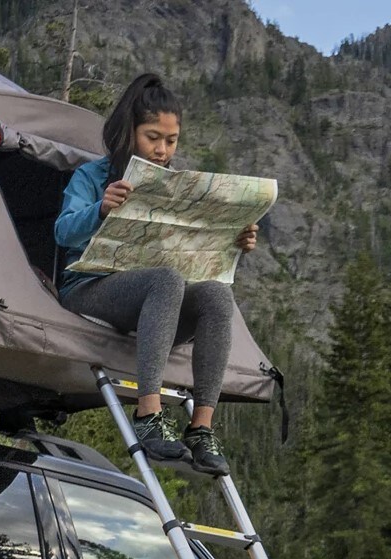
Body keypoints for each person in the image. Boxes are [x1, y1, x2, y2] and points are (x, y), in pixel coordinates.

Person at [54, 73, 258, 477]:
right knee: (165, 279)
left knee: (217, 294)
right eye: (153, 137)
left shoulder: (177, 185)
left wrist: (235, 241)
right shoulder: (93, 177)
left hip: (153, 299)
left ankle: (201, 427)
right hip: (90, 289)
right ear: (128, 133)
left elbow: (196, 254)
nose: (163, 150)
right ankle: (149, 415)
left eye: (172, 140)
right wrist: (99, 210)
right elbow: (62, 231)